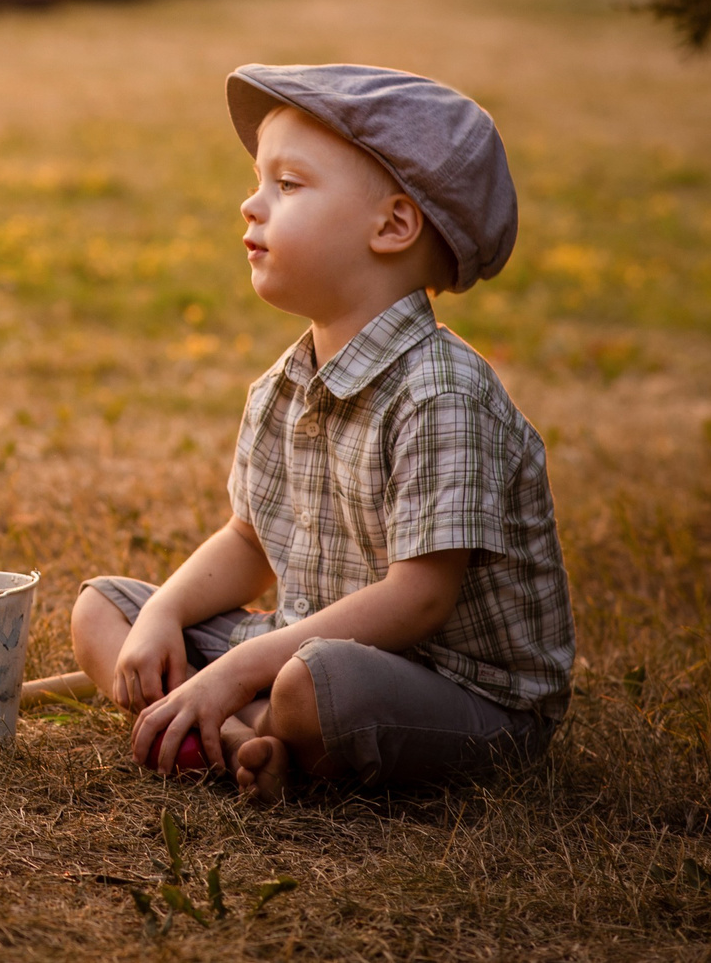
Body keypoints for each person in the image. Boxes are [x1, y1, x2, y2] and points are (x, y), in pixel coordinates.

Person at [72, 65, 573, 801]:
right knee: (104, 609)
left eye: (288, 184)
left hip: (459, 695)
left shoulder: (443, 392)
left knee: (317, 683)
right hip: (304, 647)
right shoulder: (282, 385)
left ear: (392, 226)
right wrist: (164, 613)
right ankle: (241, 735)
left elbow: (419, 600)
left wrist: (236, 669)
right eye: (258, 181)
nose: (251, 204)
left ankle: (236, 716)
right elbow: (250, 542)